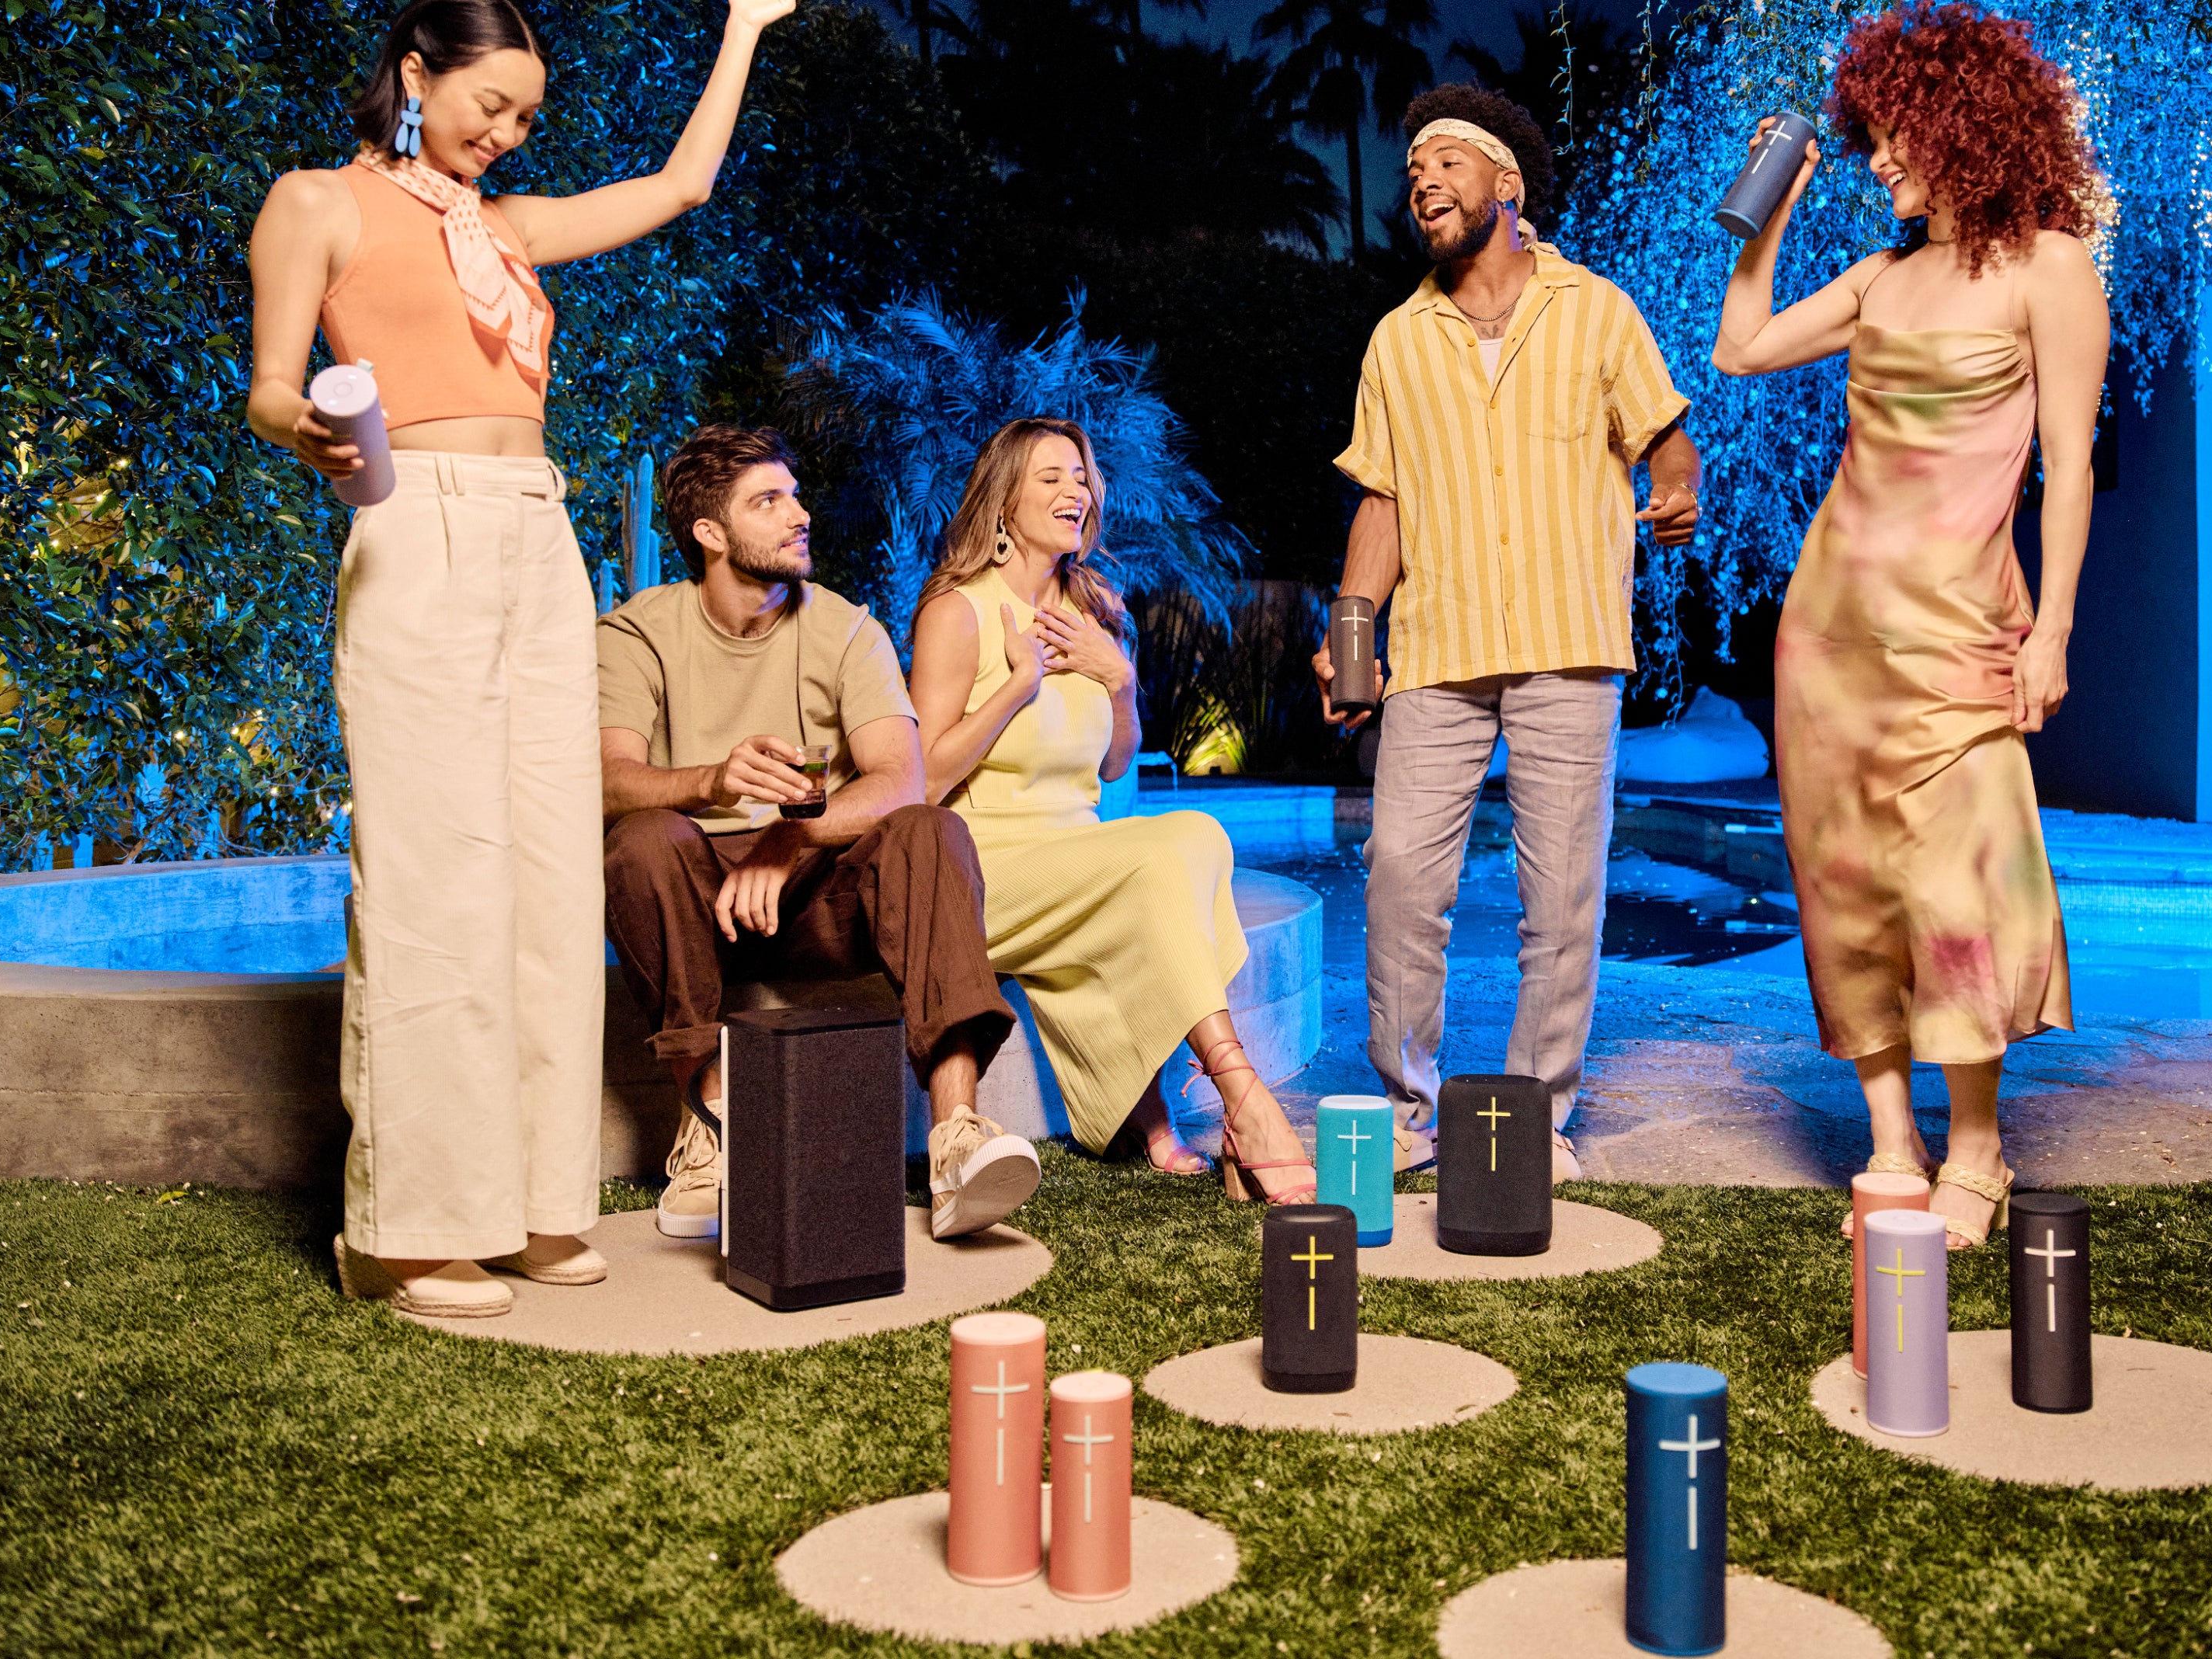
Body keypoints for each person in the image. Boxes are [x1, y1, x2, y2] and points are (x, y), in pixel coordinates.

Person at [245, 0, 797, 1316]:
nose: (507, 132)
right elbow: (268, 385)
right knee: (436, 877)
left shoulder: (510, 228)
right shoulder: (316, 202)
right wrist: (305, 429)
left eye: (528, 116)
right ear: (416, 74)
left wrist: (743, 27)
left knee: (549, 875)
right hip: (414, 522)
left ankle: (532, 1206)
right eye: (490, 104)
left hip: (537, 533)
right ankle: (404, 1235)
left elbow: (682, 185)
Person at [1709, 0, 2102, 1247]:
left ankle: (1977, 1146)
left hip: (1958, 629)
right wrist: (1768, 216)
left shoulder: (2049, 267)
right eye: (1869, 137)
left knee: (1959, 881)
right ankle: (1891, 1140)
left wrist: (2052, 633)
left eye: (1898, 133)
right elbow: (1739, 349)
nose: (1878, 158)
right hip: (1830, 630)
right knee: (1847, 882)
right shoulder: (1880, 278)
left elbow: (2070, 467)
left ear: (1967, 126)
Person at [1312, 85, 1702, 1182]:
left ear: (1506, 185)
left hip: (1569, 643)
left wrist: (1676, 489)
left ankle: (1534, 1119)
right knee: (1399, 878)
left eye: (1446, 163)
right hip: (1436, 651)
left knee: (1560, 900)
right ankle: (1406, 1110)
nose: (1423, 182)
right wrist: (1351, 638)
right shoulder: (1397, 342)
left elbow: (1665, 439)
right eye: (1413, 172)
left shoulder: (1598, 311)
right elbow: (1381, 502)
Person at [599, 426, 1034, 1241]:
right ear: (709, 533)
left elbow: (900, 777)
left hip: (815, 892)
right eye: (768, 502)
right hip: (691, 895)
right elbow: (607, 780)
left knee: (930, 829)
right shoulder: (638, 632)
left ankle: (957, 1141)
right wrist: (712, 780)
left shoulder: (845, 628)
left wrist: (789, 841)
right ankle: (709, 1131)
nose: (799, 515)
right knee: (642, 839)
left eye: (794, 496)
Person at [907, 419, 1320, 1203]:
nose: (1076, 491)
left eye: (1081, 478)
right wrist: (1016, 688)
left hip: (1078, 856)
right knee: (1156, 861)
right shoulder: (957, 612)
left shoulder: (1091, 606)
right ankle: (1242, 1097)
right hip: (982, 870)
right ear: (1003, 502)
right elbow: (920, 781)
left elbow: (1112, 762)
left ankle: (1178, 1105)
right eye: (1050, 478)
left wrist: (1119, 678)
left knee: (1198, 833)